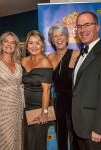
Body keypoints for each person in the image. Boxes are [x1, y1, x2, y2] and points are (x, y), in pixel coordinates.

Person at [48, 24, 80, 150]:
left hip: (74, 101)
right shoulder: (50, 57)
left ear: (67, 37)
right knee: (60, 133)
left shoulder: (77, 54)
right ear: (52, 39)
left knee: (75, 134)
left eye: (61, 35)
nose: (59, 38)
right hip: (57, 102)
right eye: (55, 36)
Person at [73, 11, 101, 150]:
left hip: (94, 129)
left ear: (97, 27)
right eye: (79, 26)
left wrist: (99, 127)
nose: (82, 30)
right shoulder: (82, 53)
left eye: (87, 25)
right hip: (81, 126)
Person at [0, 32, 24, 150]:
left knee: (16, 138)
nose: (9, 44)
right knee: (5, 141)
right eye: (6, 41)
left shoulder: (19, 64)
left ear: (16, 46)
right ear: (1, 43)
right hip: (1, 107)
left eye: (12, 42)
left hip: (17, 106)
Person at [22, 30, 53, 150]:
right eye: (31, 43)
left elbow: (46, 91)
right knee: (28, 140)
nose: (34, 46)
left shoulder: (45, 62)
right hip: (26, 108)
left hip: (39, 108)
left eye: (37, 43)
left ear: (42, 46)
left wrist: (44, 113)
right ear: (26, 45)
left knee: (38, 142)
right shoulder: (24, 61)